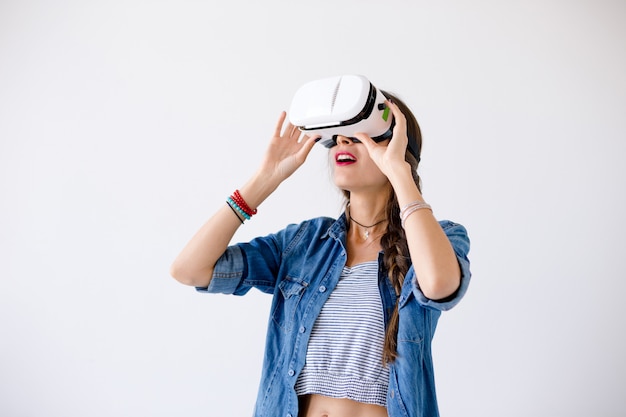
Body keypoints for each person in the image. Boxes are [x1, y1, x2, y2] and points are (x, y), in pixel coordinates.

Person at [170, 88, 471, 417]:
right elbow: (189, 270)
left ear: (399, 148)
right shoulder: (304, 242)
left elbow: (440, 284)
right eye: (339, 136)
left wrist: (399, 173)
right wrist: (264, 180)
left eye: (362, 134)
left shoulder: (438, 237)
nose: (344, 141)